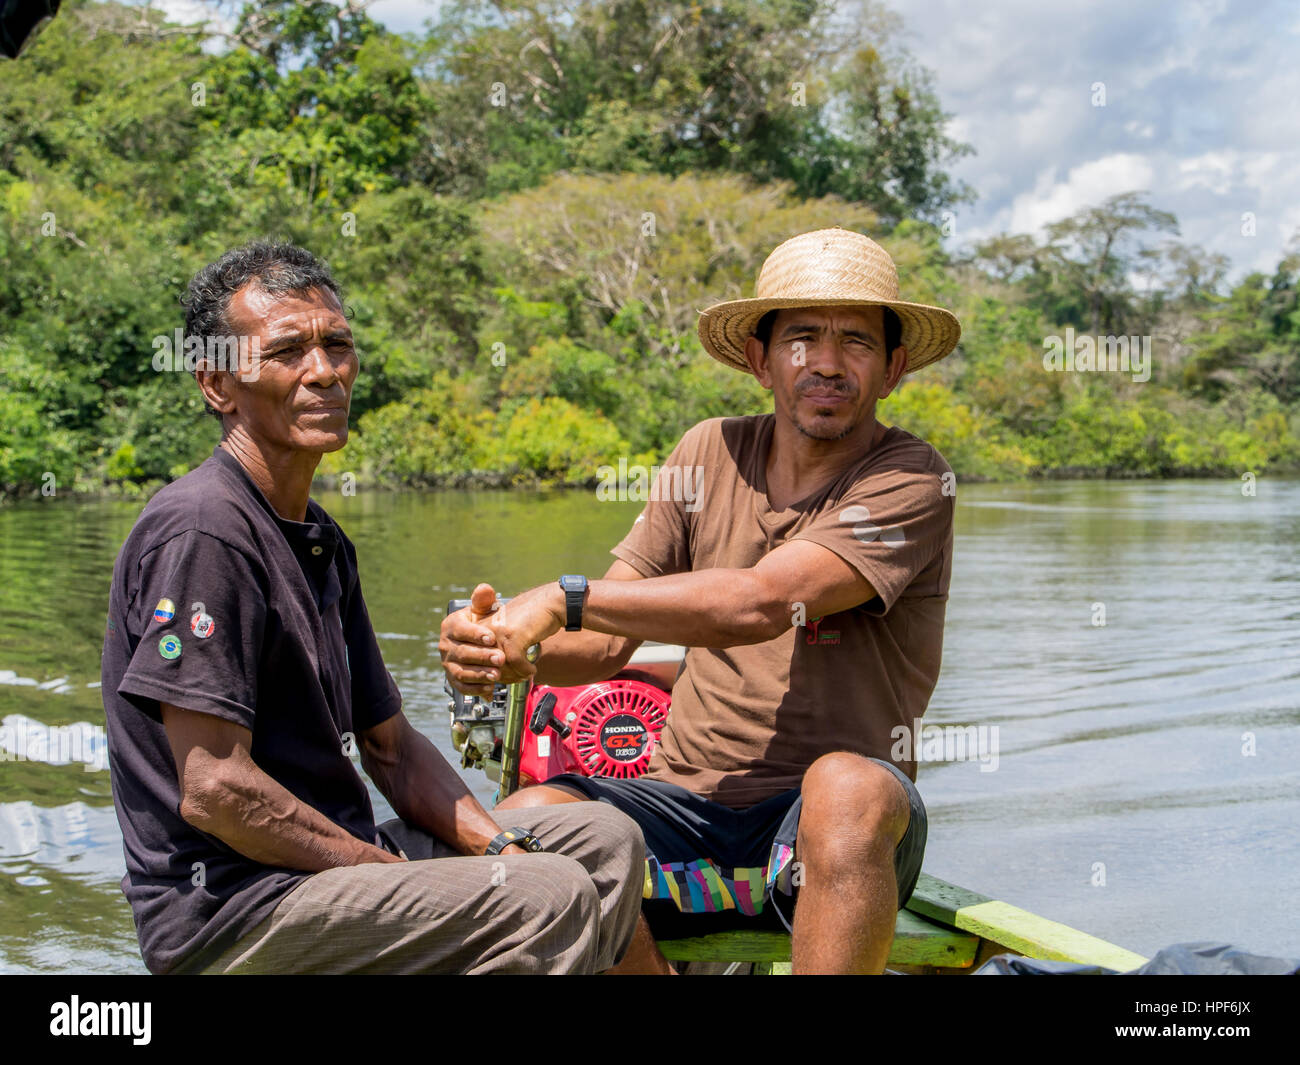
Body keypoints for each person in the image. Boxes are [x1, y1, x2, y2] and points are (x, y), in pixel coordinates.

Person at [101, 241, 644, 975]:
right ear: (217, 384)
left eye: (338, 345)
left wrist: (497, 847)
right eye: (288, 350)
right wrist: (384, 872)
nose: (324, 371)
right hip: (235, 914)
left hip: (331, 872)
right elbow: (215, 789)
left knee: (604, 840)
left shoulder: (323, 540)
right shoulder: (203, 530)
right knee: (545, 893)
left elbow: (391, 746)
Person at [439, 228, 960, 974]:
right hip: (683, 804)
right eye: (802, 337)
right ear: (760, 358)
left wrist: (562, 595)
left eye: (855, 341)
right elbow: (605, 644)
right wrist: (498, 650)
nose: (826, 362)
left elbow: (761, 601)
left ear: (894, 367)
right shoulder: (707, 452)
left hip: (831, 828)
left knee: (845, 786)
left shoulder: (910, 477)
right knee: (520, 825)